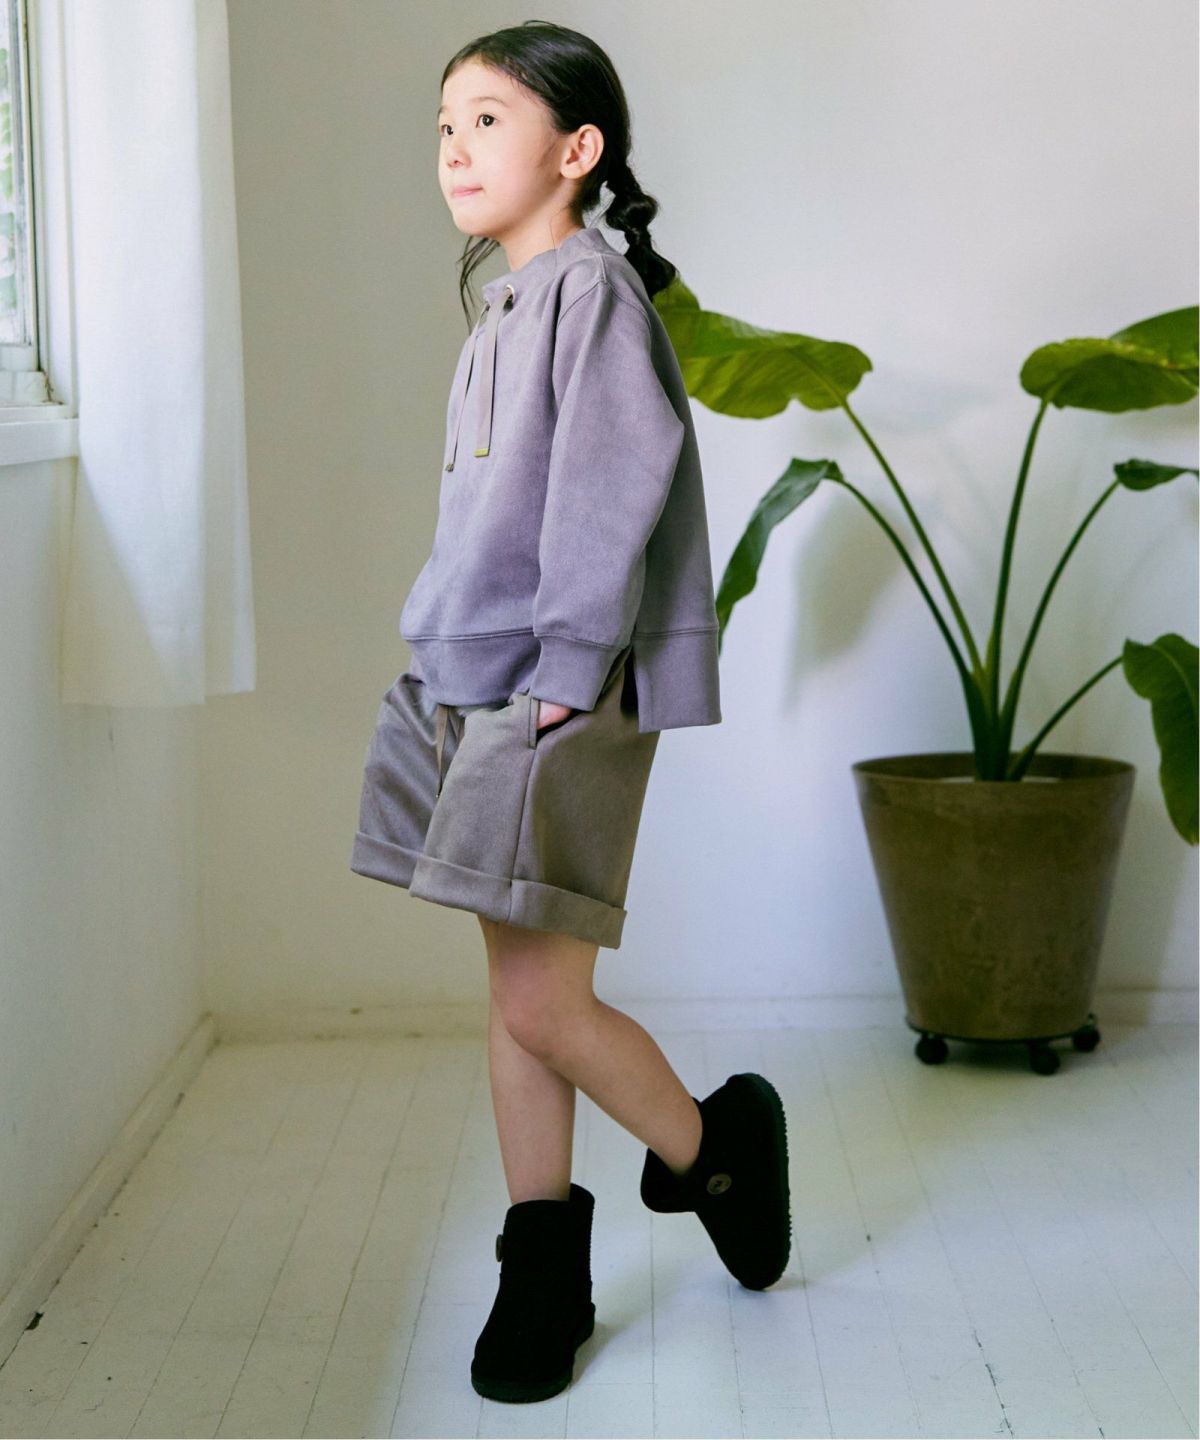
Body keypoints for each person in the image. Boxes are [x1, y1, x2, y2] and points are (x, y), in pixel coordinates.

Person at [350, 20, 791, 1405]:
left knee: (544, 999)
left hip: (556, 683)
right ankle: (543, 1256)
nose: (455, 149)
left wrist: (562, 672)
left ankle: (712, 1149)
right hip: (480, 674)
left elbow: (608, 494)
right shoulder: (511, 302)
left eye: (487, 120)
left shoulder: (591, 293)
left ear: (576, 148)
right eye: (444, 127)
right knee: (519, 990)